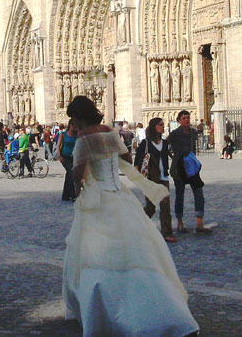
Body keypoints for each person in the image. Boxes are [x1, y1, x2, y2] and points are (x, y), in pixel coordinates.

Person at [63, 96, 199, 337]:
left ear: (79, 116)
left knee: (97, 253)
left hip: (98, 200)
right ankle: (162, 307)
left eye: (73, 117)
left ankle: (106, 311)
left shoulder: (84, 138)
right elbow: (126, 159)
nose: (72, 122)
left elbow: (77, 173)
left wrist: (78, 174)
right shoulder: (112, 131)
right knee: (139, 250)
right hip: (119, 194)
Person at [134, 117, 177, 243]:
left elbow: (171, 156)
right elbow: (137, 160)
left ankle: (167, 233)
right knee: (151, 207)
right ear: (154, 127)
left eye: (163, 125)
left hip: (163, 177)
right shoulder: (145, 143)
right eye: (160, 125)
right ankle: (138, 225)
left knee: (165, 206)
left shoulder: (165, 143)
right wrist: (138, 176)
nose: (163, 127)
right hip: (150, 179)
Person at [169, 110, 212, 234]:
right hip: (179, 167)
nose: (186, 120)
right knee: (179, 194)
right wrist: (175, 157)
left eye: (188, 117)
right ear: (179, 120)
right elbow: (166, 145)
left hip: (192, 166)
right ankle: (180, 222)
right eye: (184, 118)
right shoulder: (174, 134)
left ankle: (199, 222)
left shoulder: (193, 132)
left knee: (199, 193)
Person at [57, 119, 78, 201]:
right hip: (64, 156)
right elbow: (58, 146)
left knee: (69, 175)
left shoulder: (77, 134)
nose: (74, 127)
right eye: (73, 125)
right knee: (71, 173)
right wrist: (59, 156)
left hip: (73, 157)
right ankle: (73, 195)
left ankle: (65, 195)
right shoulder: (63, 134)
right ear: (69, 125)